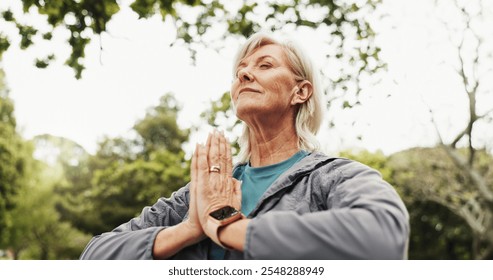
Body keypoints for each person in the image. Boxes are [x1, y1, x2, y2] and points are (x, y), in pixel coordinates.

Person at [80, 32, 410, 260]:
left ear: (301, 92)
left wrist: (230, 229)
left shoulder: (333, 178)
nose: (245, 75)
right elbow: (94, 255)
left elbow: (383, 236)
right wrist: (189, 229)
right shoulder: (202, 193)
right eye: (241, 71)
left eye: (264, 65)